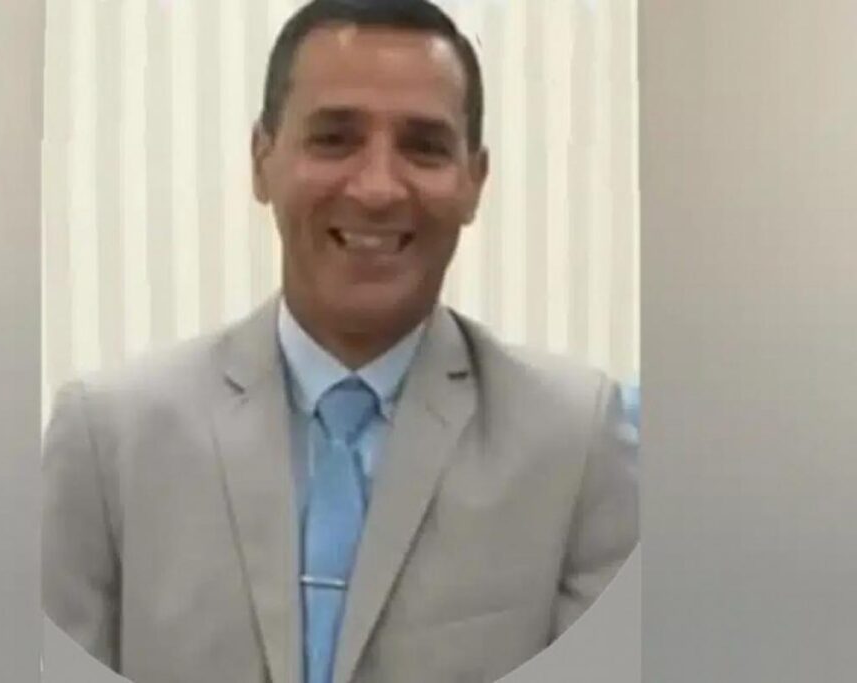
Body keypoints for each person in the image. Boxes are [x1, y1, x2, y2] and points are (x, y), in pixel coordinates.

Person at [41, 1, 638, 681]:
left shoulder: (577, 446)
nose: (378, 188)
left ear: (474, 182)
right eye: (334, 139)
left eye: (424, 147)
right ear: (262, 160)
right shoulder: (108, 441)